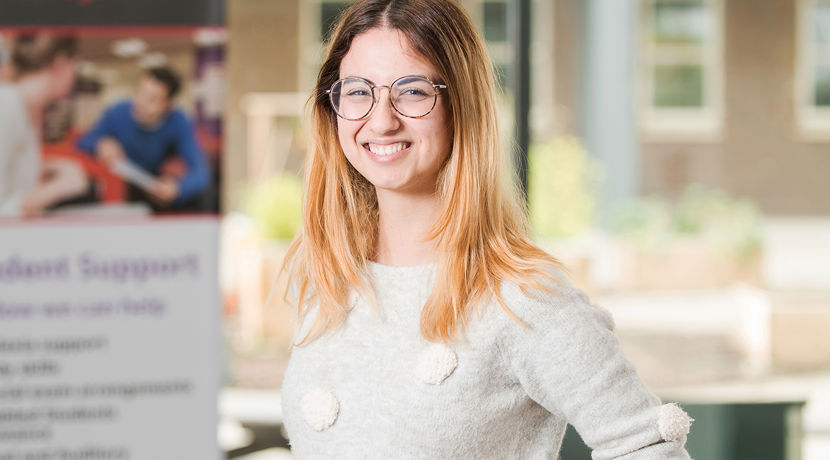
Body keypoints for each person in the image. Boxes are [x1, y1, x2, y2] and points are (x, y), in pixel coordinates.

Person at [279, 0, 694, 458]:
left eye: (412, 91)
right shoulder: (329, 280)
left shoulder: (519, 297)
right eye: (358, 91)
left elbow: (646, 445)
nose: (381, 119)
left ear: (462, 105)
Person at [77, 66, 210, 211]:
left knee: (203, 195)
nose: (141, 103)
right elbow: (83, 142)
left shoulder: (178, 121)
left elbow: (200, 172)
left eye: (152, 99)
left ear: (167, 105)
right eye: (139, 93)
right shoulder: (117, 112)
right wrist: (100, 144)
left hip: (155, 187)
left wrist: (177, 189)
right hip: (121, 186)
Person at [0, 34, 87, 217]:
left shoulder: (28, 111)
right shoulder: (6, 105)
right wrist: (59, 187)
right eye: (75, 67)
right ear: (61, 65)